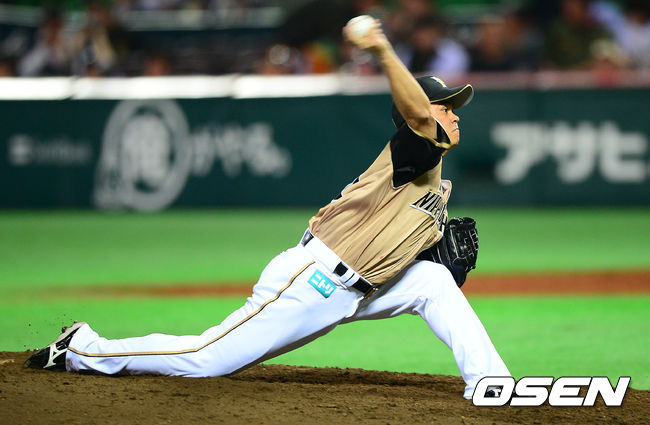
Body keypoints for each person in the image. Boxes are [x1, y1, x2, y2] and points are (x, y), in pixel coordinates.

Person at [25, 18, 510, 400]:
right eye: (445, 106)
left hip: (360, 288)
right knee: (206, 359)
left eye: (454, 106)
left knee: (434, 282)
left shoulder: (434, 181)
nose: (453, 114)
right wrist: (382, 49)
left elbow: (395, 245)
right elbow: (418, 115)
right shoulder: (411, 151)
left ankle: (492, 383)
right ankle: (83, 348)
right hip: (315, 282)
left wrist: (425, 255)